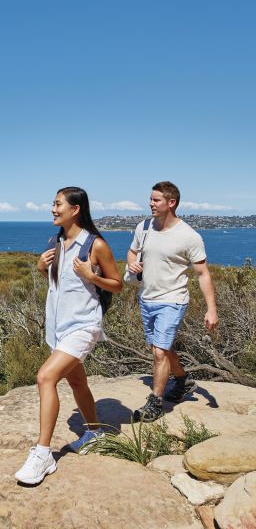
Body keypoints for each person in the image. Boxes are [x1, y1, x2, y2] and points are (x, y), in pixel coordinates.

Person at [15, 186, 122, 484]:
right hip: (57, 327)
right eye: (53, 203)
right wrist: (40, 268)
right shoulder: (56, 241)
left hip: (83, 326)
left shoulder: (95, 245)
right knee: (77, 380)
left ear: (75, 209)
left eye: (57, 204)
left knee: (45, 377)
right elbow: (60, 284)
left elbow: (116, 284)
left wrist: (92, 276)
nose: (53, 208)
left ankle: (43, 454)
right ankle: (95, 433)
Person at [126, 181, 218, 422]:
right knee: (161, 349)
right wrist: (132, 263)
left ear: (171, 203)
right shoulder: (143, 227)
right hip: (146, 298)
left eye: (156, 200)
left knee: (159, 352)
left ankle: (155, 403)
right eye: (151, 199)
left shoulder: (189, 236)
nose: (151, 203)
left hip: (173, 300)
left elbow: (203, 273)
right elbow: (132, 252)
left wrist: (211, 309)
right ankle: (183, 381)